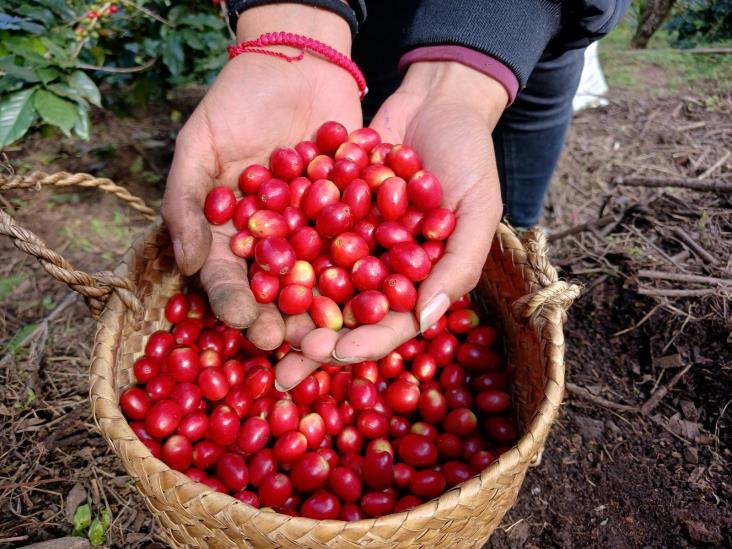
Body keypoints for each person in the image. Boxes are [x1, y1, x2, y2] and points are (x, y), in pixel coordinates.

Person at [161, 1, 629, 390]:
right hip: (366, 25)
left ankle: (516, 273)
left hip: (526, 34)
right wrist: (295, 22)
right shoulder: (329, 209)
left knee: (504, 227)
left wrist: (476, 52)